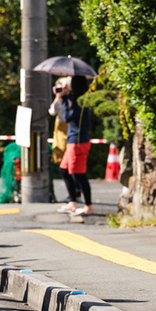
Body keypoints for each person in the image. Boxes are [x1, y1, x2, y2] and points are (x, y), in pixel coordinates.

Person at [59, 76, 94, 216]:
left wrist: (63, 100)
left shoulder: (81, 101)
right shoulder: (78, 99)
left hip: (78, 142)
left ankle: (89, 206)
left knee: (79, 175)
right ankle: (73, 202)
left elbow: (67, 117)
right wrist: (67, 97)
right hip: (73, 140)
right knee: (64, 170)